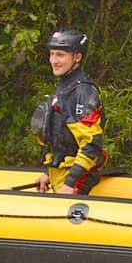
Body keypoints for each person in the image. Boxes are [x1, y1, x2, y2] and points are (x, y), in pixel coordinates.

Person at [30, 29, 106, 195]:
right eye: (52, 54)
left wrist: (70, 183)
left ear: (77, 57)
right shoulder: (65, 88)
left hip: (75, 181)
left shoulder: (83, 92)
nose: (54, 61)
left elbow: (91, 144)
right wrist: (48, 172)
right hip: (61, 175)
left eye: (60, 55)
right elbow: (62, 139)